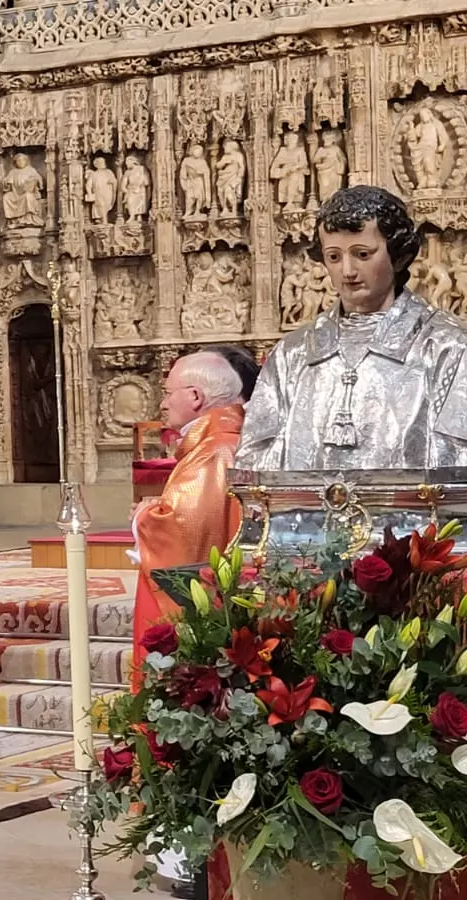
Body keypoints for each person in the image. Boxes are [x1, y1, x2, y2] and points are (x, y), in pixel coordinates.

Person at [238, 185, 467, 469]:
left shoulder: (448, 346)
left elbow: (457, 461)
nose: (347, 271)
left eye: (362, 254)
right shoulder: (293, 353)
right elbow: (255, 460)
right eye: (334, 257)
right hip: (305, 512)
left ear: (399, 256)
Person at [131, 352, 247, 682]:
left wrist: (144, 516)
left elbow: (185, 529)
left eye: (168, 392)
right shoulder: (220, 442)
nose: (163, 403)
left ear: (196, 396)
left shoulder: (214, 451)